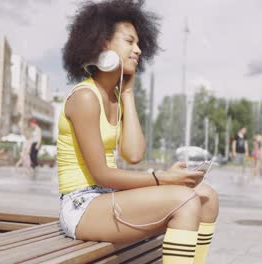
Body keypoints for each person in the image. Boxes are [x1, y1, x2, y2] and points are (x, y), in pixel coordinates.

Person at [58, 1, 219, 263]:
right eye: (130, 41)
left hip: (107, 199)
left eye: (139, 43)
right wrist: (165, 179)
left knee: (207, 197)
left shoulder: (115, 96)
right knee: (184, 199)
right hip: (80, 207)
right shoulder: (85, 98)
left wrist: (128, 95)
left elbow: (133, 154)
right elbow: (102, 175)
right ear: (102, 44)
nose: (138, 50)